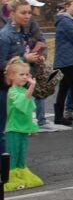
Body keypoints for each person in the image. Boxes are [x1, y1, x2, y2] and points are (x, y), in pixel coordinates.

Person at [0, 0, 44, 152]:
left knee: (18, 128)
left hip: (19, 87)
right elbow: (2, 62)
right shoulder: (5, 36)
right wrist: (25, 58)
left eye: (29, 12)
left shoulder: (23, 32)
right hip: (5, 89)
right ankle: (6, 167)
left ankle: (13, 164)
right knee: (5, 128)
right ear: (12, 13)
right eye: (23, 13)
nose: (27, 16)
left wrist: (35, 58)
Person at [4, 58, 44, 192]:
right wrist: (32, 86)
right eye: (21, 74)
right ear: (11, 76)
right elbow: (22, 102)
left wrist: (32, 129)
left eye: (27, 74)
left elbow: (28, 112)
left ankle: (21, 173)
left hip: (23, 129)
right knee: (13, 155)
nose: (25, 77)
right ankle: (10, 177)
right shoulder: (13, 92)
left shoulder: (22, 91)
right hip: (13, 129)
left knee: (22, 154)